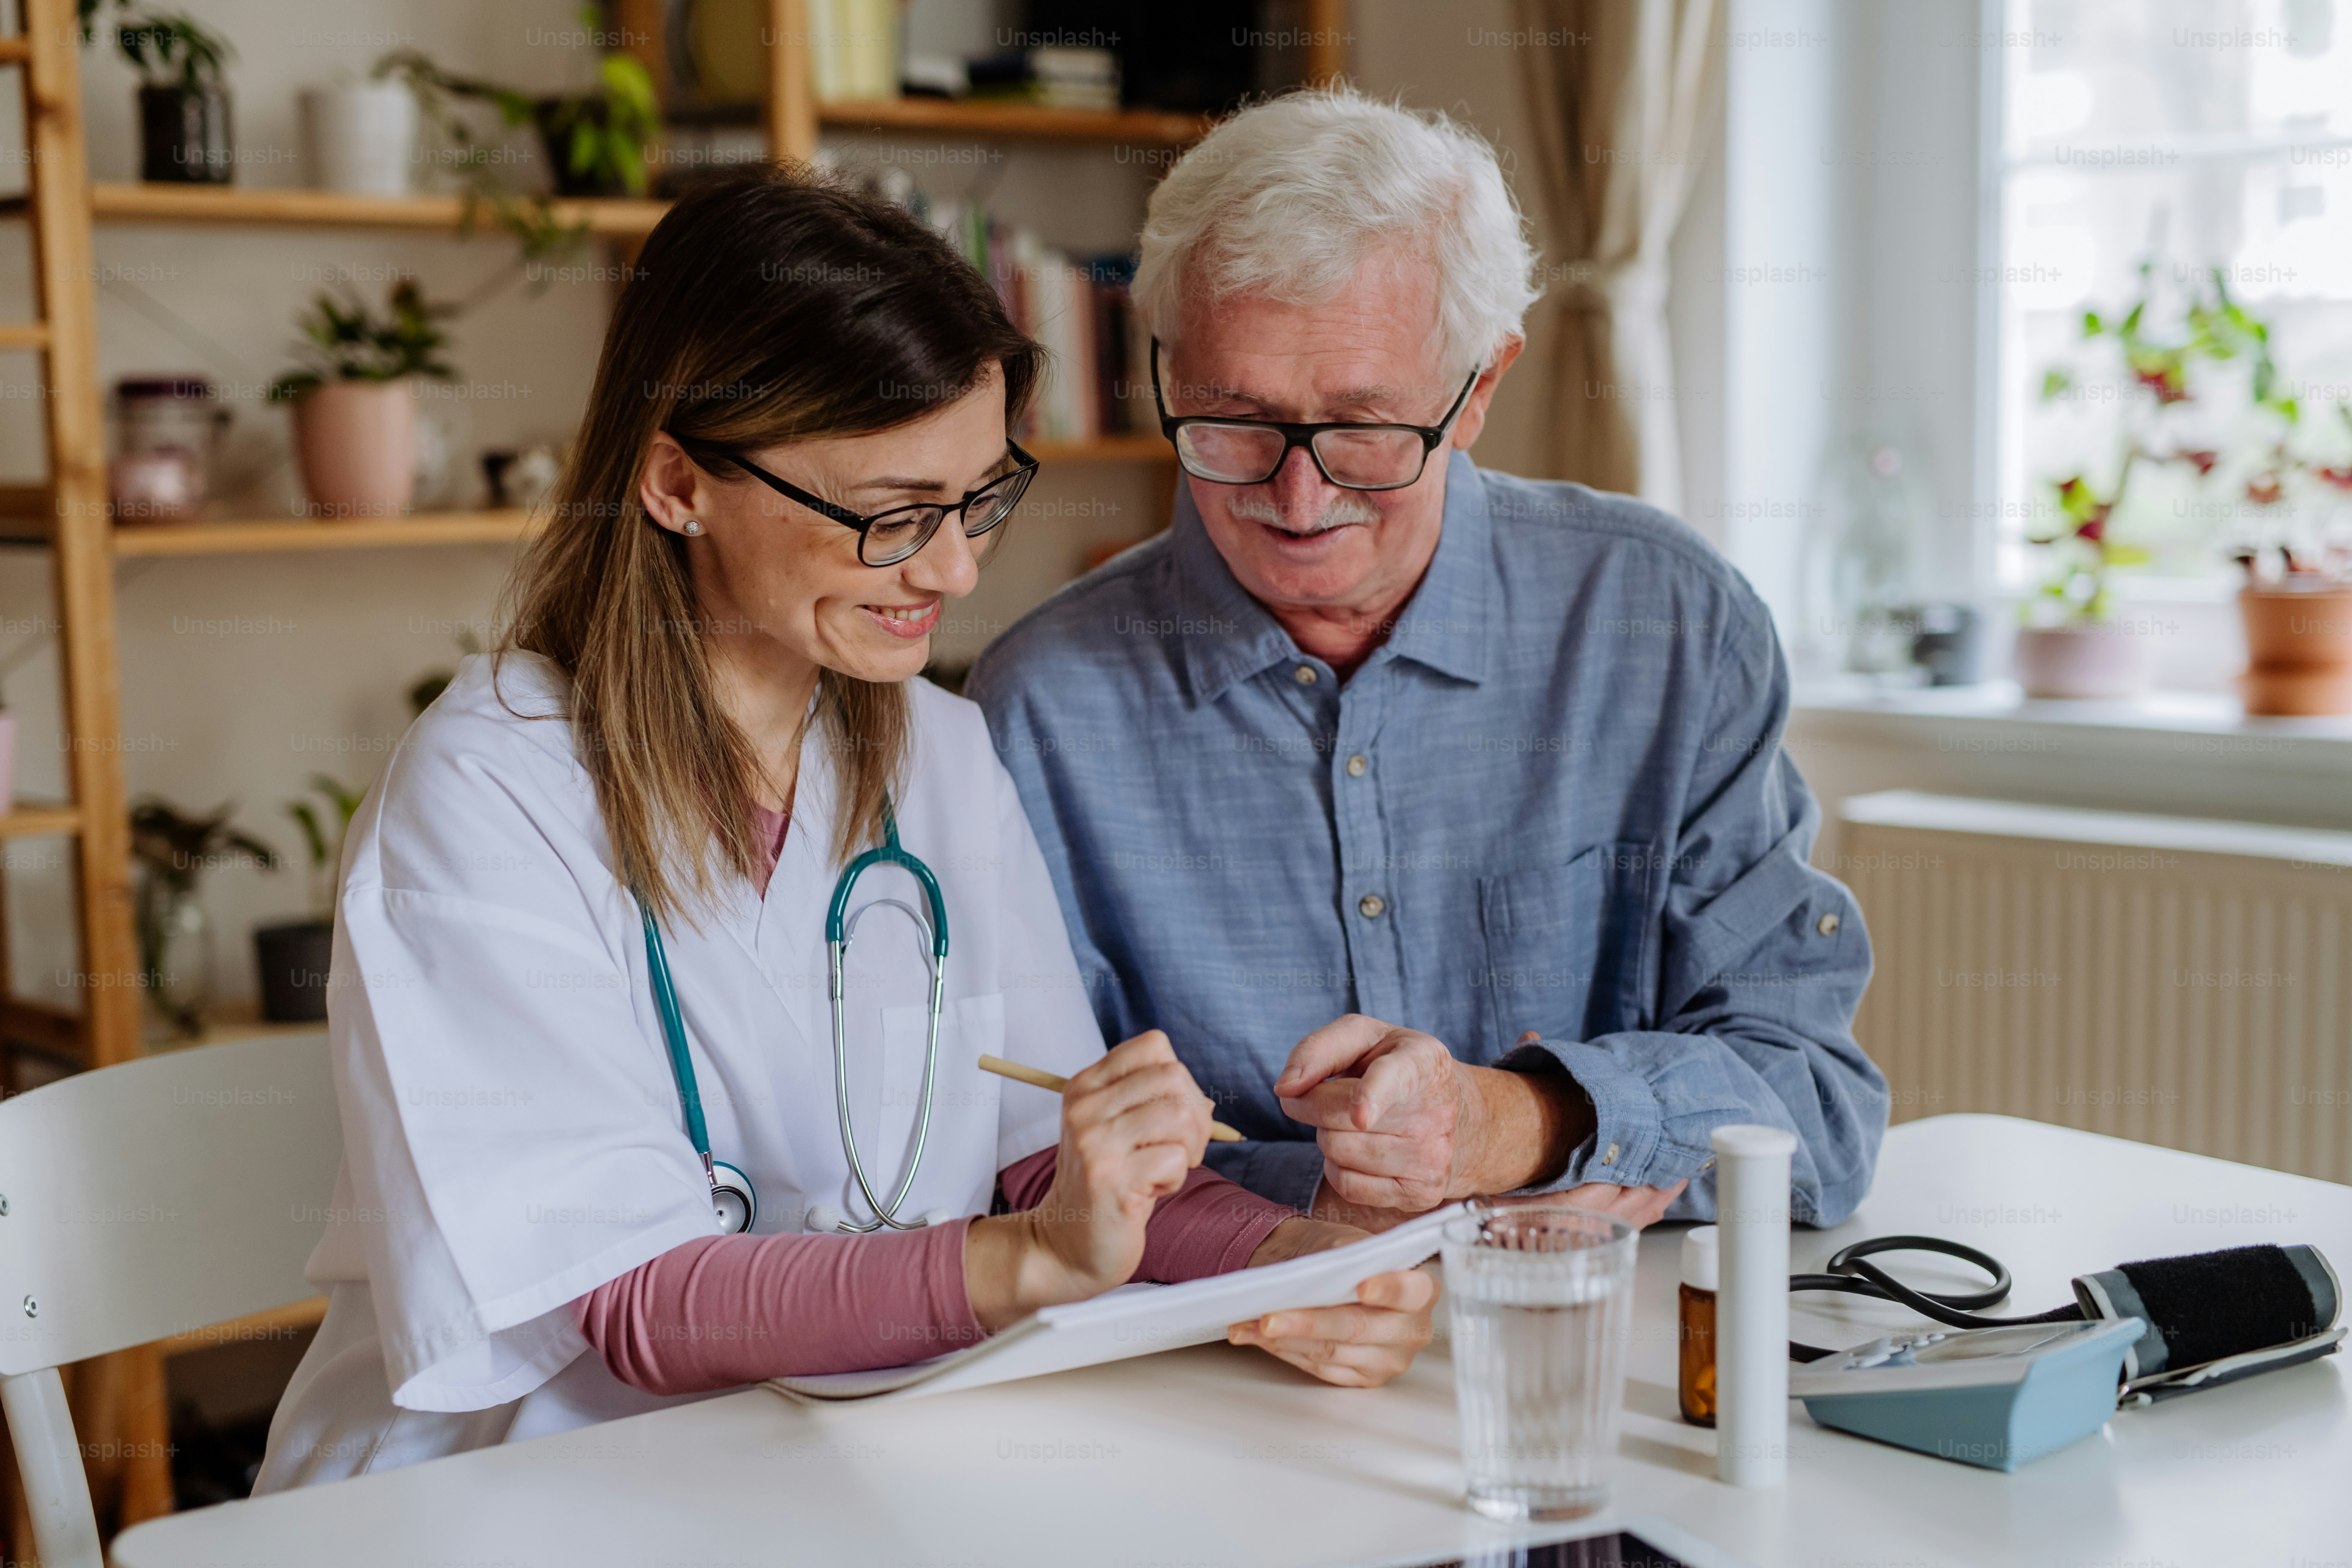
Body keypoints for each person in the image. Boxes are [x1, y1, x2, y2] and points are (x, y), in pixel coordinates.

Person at [257, 168, 1434, 1492]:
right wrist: (1030, 1259)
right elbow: (636, 1304)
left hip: (839, 1454)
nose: (954, 570)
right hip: (522, 1489)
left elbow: (1040, 1150)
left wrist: (1297, 1265)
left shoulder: (937, 748)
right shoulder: (494, 788)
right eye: (890, 516)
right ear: (676, 483)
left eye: (980, 498)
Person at [969, 89, 1886, 1236]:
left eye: (1366, 427)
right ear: (1163, 367)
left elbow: (1815, 1108)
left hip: (1605, 1345)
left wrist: (1513, 1124)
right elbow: (1022, 1167)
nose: (1298, 499)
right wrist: (1311, 1217)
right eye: (1232, 420)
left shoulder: (1666, 627)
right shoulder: (1038, 713)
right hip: (1220, 1370)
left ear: (1480, 389)